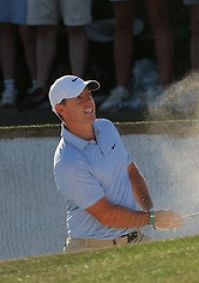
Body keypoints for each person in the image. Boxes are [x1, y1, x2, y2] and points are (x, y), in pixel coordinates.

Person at [50, 74, 183, 252]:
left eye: (88, 95)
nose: (88, 102)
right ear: (61, 109)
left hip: (134, 239)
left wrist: (151, 210)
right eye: (79, 99)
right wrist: (152, 218)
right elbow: (106, 214)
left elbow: (130, 171)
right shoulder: (68, 161)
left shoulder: (106, 128)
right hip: (91, 250)